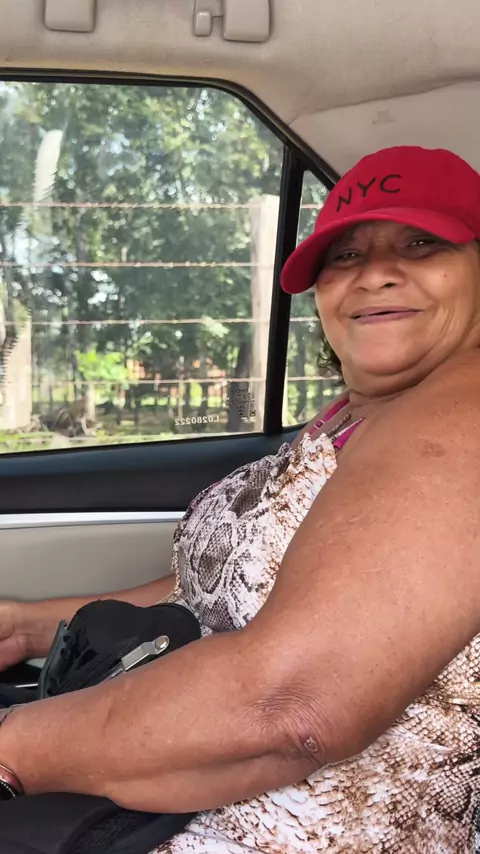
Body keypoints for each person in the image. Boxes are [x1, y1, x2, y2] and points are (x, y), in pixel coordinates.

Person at [0, 144, 479, 853]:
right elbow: (217, 588)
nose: (375, 272)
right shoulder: (347, 422)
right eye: (345, 255)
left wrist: (14, 748)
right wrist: (28, 627)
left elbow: (293, 703)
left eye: (421, 243)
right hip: (171, 797)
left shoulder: (464, 413)